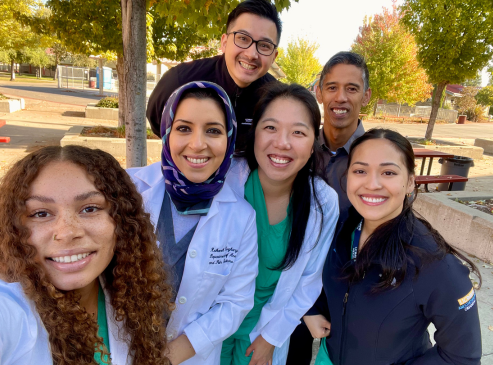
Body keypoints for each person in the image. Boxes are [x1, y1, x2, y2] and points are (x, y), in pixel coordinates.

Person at [304, 128, 482, 365]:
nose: (372, 184)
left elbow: (462, 358)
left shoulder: (433, 262)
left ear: (410, 182)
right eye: (360, 170)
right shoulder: (340, 228)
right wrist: (313, 308)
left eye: (388, 172)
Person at [0, 145, 173, 365]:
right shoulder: (4, 308)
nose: (68, 232)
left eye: (89, 209)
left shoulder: (125, 292)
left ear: (123, 222)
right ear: (12, 229)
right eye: (40, 213)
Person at [128, 81, 259, 365]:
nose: (197, 144)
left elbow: (235, 304)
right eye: (184, 128)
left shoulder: (241, 218)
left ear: (230, 138)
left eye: (213, 130)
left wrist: (165, 357)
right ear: (166, 133)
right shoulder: (128, 190)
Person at [221, 83, 339, 365]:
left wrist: (270, 339)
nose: (282, 142)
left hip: (264, 328)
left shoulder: (323, 202)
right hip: (212, 321)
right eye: (270, 127)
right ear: (255, 133)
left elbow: (308, 282)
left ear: (313, 145)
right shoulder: (225, 181)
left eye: (298, 132)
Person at [286, 51, 372, 365]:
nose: (341, 97)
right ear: (319, 91)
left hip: (348, 292)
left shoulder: (376, 156)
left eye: (351, 88)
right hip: (291, 286)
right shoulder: (299, 147)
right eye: (332, 87)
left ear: (366, 95)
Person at [147, 0, 281, 151]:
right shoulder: (180, 80)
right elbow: (159, 124)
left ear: (274, 56)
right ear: (224, 42)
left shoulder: (277, 99)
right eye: (243, 38)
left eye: (264, 45)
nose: (251, 54)